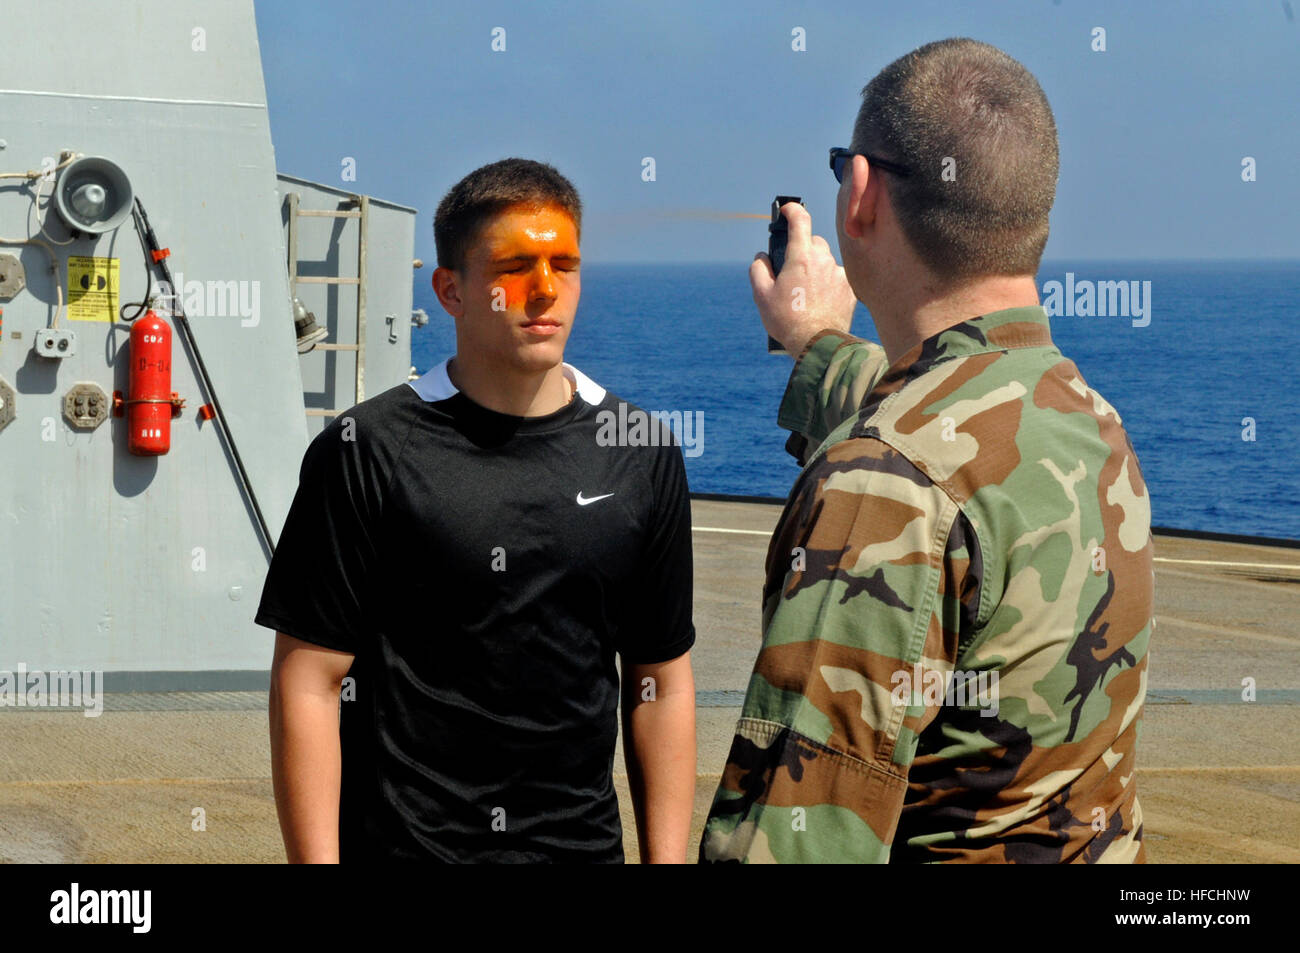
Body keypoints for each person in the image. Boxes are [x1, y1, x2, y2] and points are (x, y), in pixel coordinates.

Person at [701, 38, 1152, 863]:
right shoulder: (1085, 418)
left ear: (861, 195)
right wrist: (815, 342)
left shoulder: (880, 482)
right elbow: (953, 428)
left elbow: (795, 842)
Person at [257, 158, 696, 863]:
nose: (545, 289)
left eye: (564, 264)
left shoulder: (640, 452)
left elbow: (661, 680)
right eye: (513, 266)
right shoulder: (366, 448)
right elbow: (308, 679)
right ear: (451, 290)